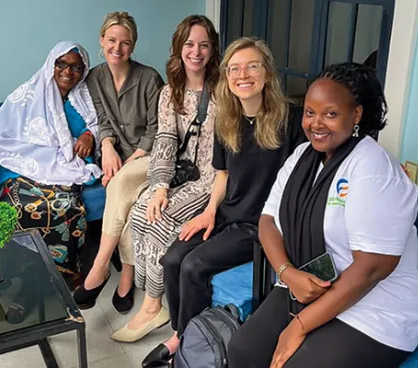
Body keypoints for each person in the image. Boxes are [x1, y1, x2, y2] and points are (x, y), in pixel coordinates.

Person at [227, 62, 418, 368]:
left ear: (356, 115)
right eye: (310, 112)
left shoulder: (372, 169)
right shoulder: (301, 156)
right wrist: (287, 273)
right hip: (308, 284)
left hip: (375, 307)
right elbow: (267, 221)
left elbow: (373, 269)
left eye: (330, 114)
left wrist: (300, 325)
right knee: (243, 351)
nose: (316, 123)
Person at [141, 37, 307, 366]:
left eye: (252, 66)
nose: (242, 74)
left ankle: (186, 344)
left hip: (259, 225)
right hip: (228, 214)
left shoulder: (290, 120)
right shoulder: (227, 121)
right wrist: (209, 212)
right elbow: (222, 176)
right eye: (234, 68)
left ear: (267, 73)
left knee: (194, 265)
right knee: (172, 258)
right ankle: (184, 332)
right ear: (227, 77)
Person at [109, 15, 221, 343]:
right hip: (178, 176)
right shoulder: (171, 90)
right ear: (179, 48)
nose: (196, 52)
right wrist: (159, 187)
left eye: (203, 45)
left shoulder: (223, 91)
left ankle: (152, 306)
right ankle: (153, 302)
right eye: (189, 44)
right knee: (142, 212)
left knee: (160, 224)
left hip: (210, 180)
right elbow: (166, 142)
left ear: (213, 49)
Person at [0, 41, 101, 282]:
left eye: (76, 67)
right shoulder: (28, 93)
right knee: (16, 207)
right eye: (62, 64)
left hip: (65, 169)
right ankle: (22, 280)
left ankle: (58, 278)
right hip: (24, 169)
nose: (68, 72)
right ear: (51, 65)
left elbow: (101, 124)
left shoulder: (86, 99)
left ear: (84, 71)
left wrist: (90, 134)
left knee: (65, 206)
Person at [73, 11, 164, 313]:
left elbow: (156, 129)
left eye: (125, 43)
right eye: (112, 40)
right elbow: (100, 119)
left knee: (120, 183)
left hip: (147, 156)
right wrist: (108, 145)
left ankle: (101, 267)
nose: (118, 48)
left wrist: (130, 161)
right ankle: (126, 274)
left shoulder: (150, 78)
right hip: (116, 157)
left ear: (133, 45)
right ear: (101, 41)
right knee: (131, 199)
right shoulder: (94, 78)